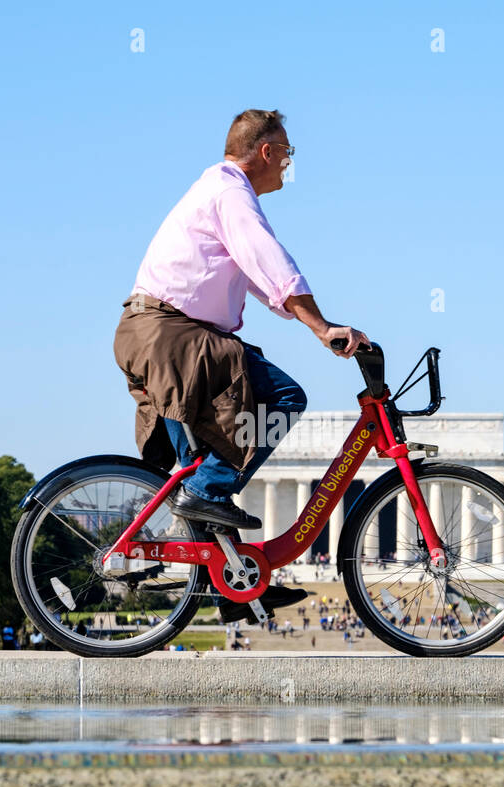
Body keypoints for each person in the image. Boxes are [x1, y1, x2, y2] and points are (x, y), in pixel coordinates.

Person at [114, 109, 370, 625]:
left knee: (206, 459)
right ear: (267, 152)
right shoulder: (231, 193)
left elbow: (262, 282)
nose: (289, 167)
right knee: (283, 398)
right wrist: (323, 328)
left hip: (155, 335)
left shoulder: (216, 193)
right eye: (287, 154)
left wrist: (305, 317)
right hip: (172, 335)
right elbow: (268, 258)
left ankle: (238, 585)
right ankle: (207, 494)